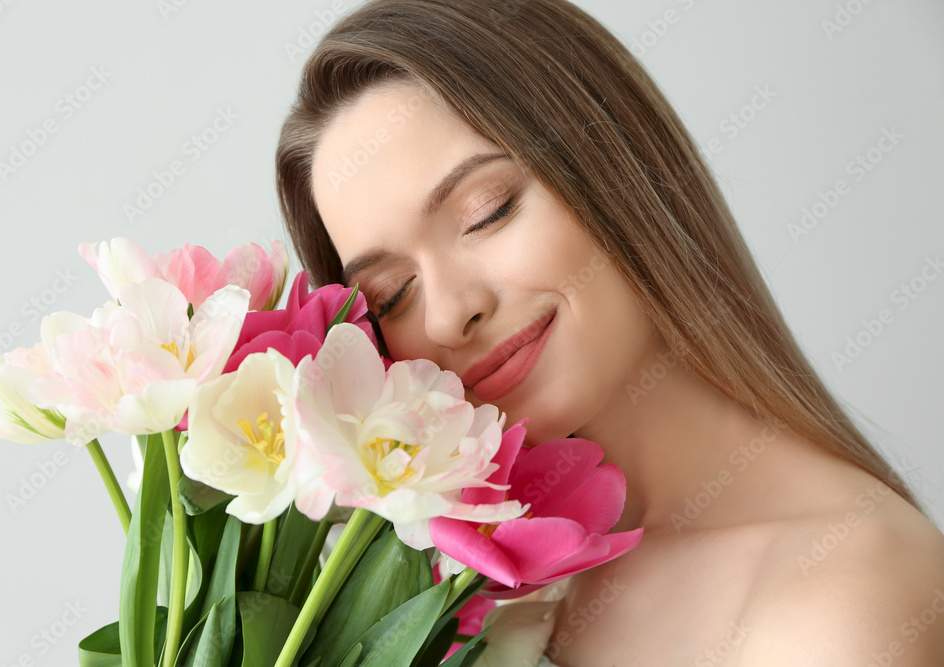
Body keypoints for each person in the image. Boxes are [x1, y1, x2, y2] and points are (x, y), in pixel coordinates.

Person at [275, 0, 944, 663]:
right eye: (393, 295)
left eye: (488, 211)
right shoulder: (435, 581)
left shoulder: (845, 601)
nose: (451, 313)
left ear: (614, 164)